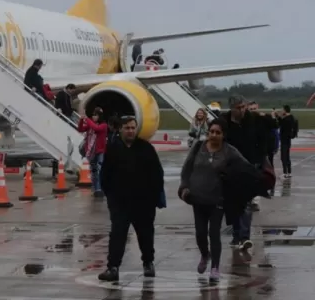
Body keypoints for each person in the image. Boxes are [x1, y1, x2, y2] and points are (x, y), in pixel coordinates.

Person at [98, 116, 165, 282]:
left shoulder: (145, 148)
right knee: (118, 235)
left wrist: (153, 197)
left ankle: (148, 263)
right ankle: (113, 267)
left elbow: (157, 174)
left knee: (145, 234)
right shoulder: (113, 149)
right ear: (120, 129)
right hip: (120, 203)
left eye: (133, 127)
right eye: (127, 128)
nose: (130, 131)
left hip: (143, 203)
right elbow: (105, 175)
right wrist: (111, 197)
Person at [179, 118, 246, 282]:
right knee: (200, 234)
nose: (214, 135)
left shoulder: (230, 151)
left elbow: (244, 169)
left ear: (223, 135)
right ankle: (205, 255)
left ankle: (215, 267)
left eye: (218, 133)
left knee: (214, 233)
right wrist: (184, 187)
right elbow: (186, 169)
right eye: (211, 132)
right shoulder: (198, 147)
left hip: (218, 199)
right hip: (197, 197)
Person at [221, 95, 269, 250]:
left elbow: (264, 139)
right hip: (231, 167)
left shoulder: (254, 120)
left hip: (249, 166)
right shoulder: (224, 122)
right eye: (238, 108)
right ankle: (236, 234)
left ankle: (244, 237)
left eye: (243, 107)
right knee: (232, 203)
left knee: (246, 203)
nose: (242, 110)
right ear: (232, 108)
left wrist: (261, 160)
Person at [77, 107, 108, 197]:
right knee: (94, 171)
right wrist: (81, 120)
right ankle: (96, 189)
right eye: (93, 115)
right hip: (91, 152)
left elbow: (96, 128)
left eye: (96, 115)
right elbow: (80, 129)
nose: (94, 117)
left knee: (99, 170)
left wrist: (87, 119)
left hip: (100, 151)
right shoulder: (90, 126)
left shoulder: (103, 125)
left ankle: (100, 188)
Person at [277, 105, 297, 178]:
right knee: (287, 156)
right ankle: (289, 172)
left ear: (285, 110)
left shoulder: (286, 119)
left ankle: (285, 172)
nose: (281, 111)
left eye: (282, 110)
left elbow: (280, 124)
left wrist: (278, 117)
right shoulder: (292, 118)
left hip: (284, 140)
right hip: (288, 140)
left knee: (283, 157)